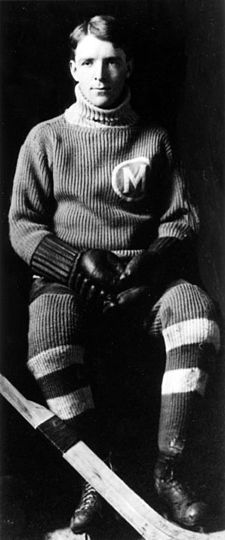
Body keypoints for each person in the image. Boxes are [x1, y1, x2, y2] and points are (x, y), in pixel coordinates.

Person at [8, 14, 220, 534]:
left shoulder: (155, 140)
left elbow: (181, 220)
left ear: (129, 68)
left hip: (142, 278)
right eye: (88, 63)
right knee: (48, 335)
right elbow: (22, 224)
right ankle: (95, 477)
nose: (100, 75)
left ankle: (170, 469)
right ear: (72, 71)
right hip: (69, 281)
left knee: (198, 315)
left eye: (111, 62)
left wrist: (148, 266)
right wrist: (74, 261)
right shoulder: (45, 139)